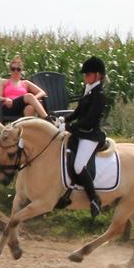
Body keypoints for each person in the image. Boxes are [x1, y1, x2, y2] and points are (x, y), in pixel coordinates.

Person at [54, 57, 107, 217]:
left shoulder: (99, 94)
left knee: (78, 166)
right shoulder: (89, 90)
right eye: (84, 75)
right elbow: (78, 113)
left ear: (98, 75)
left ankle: (94, 199)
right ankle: (67, 193)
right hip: (80, 132)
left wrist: (69, 127)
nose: (85, 77)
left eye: (88, 74)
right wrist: (64, 119)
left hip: (91, 135)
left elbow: (88, 119)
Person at [0, 56, 48, 121]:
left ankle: (28, 130)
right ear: (10, 70)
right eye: (13, 69)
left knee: (30, 108)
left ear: (21, 71)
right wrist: (5, 99)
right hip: (9, 107)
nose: (15, 71)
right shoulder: (3, 82)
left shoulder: (25, 83)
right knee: (29, 96)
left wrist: (33, 100)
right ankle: (48, 119)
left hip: (22, 108)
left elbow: (42, 92)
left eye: (18, 69)